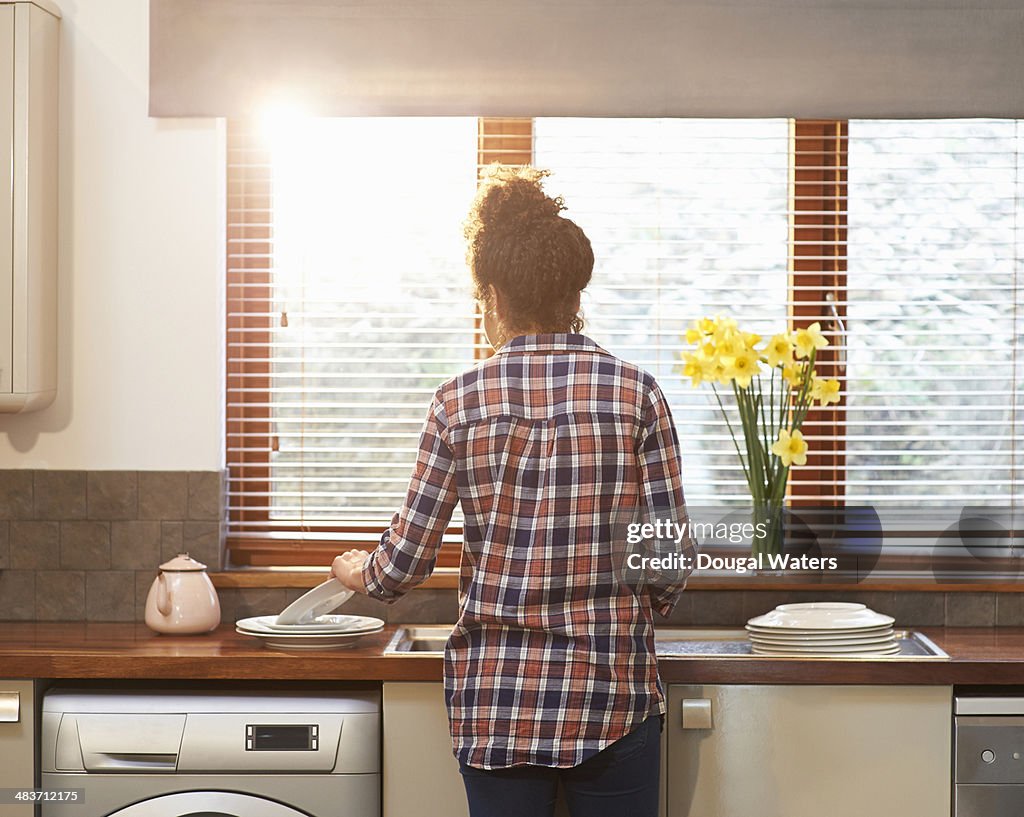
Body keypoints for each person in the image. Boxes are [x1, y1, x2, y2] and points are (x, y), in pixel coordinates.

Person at [332, 165, 693, 817]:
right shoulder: (636, 394)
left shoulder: (456, 402)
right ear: (574, 292)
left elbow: (403, 564)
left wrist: (360, 569)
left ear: (493, 295)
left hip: (498, 705)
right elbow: (666, 567)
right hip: (611, 697)